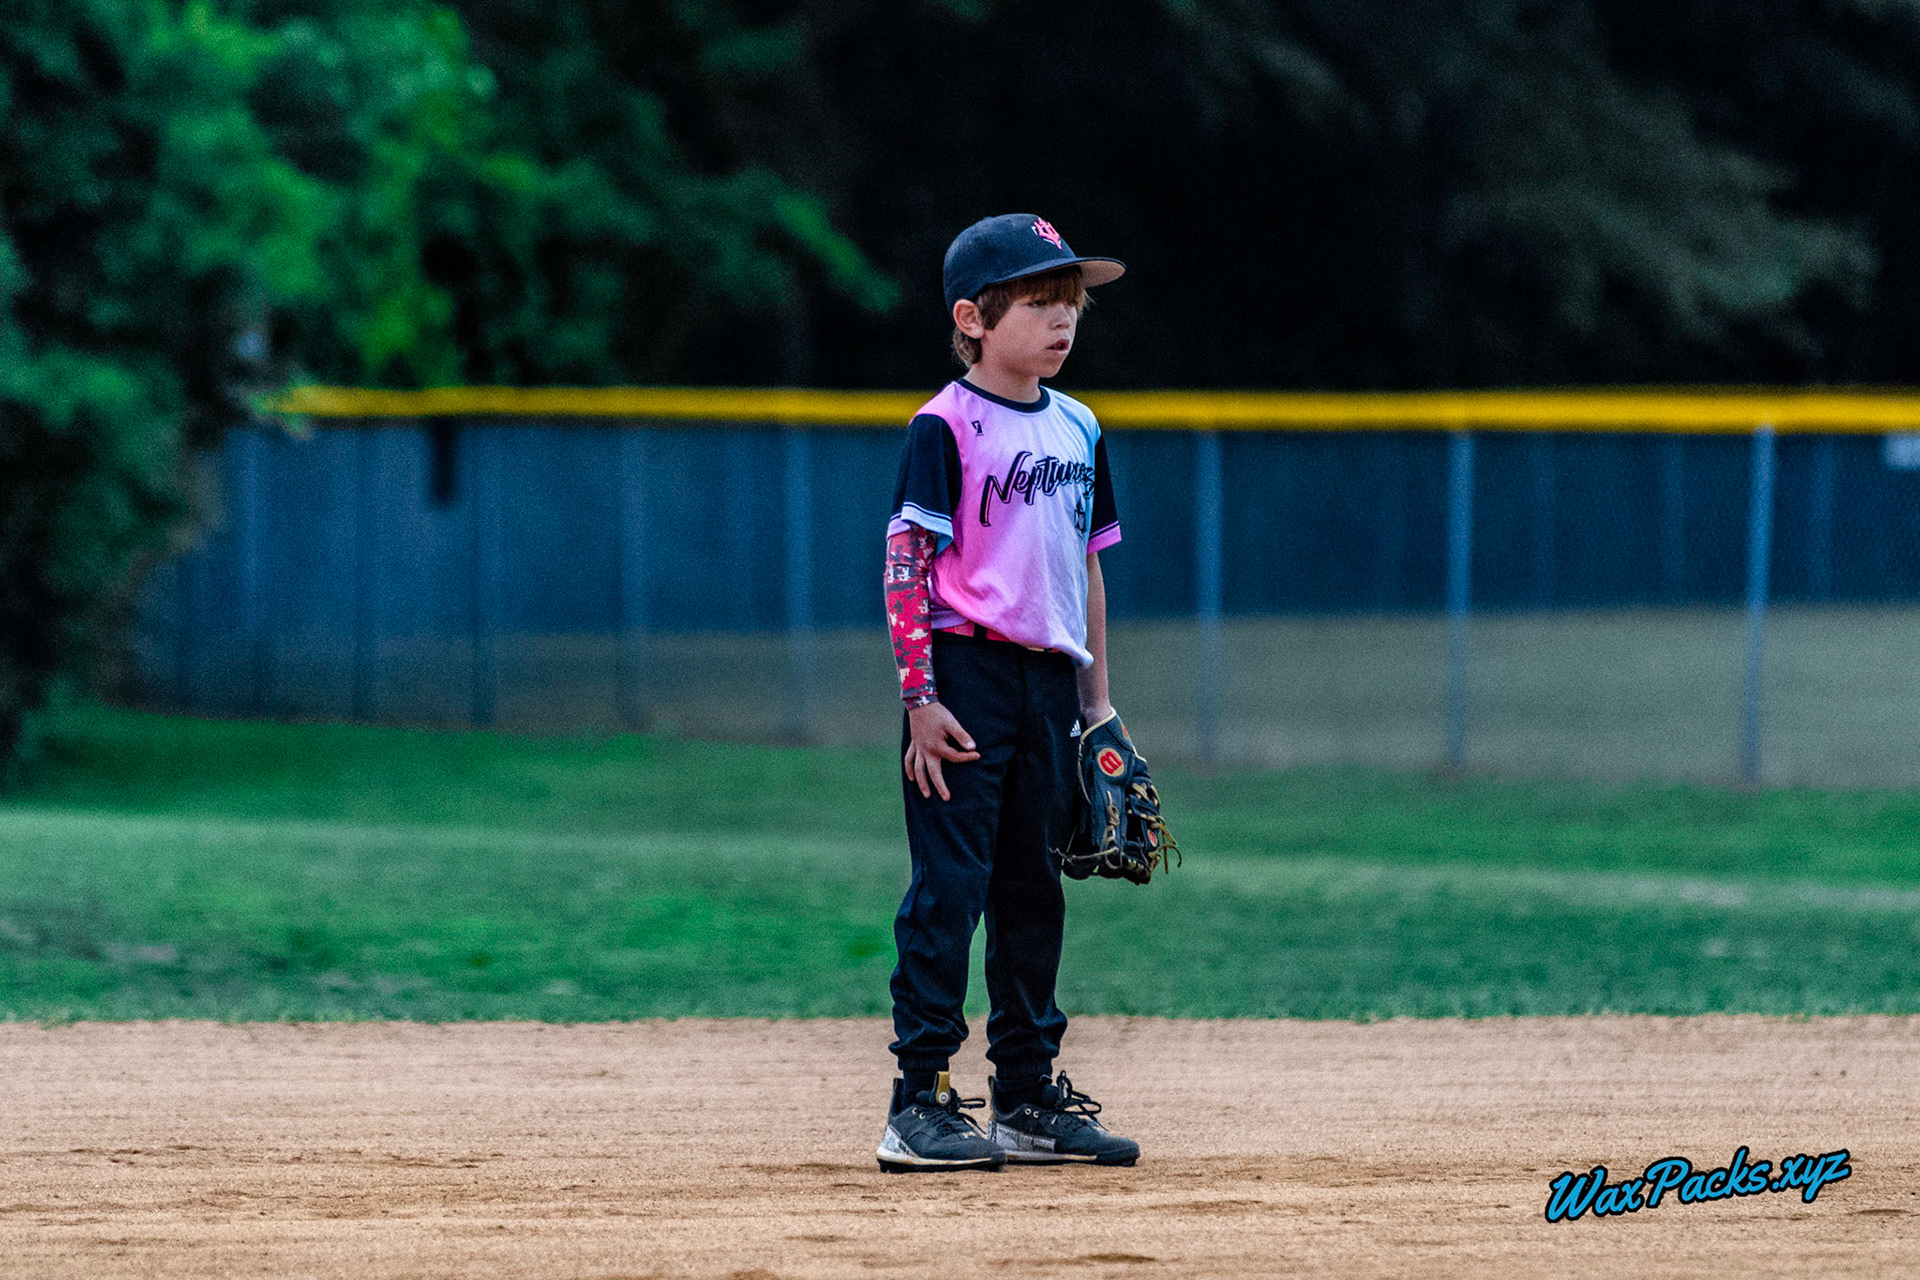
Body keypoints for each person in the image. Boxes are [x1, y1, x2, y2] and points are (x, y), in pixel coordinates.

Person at [875, 213, 1142, 1173]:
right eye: (1040, 302)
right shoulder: (943, 425)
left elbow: (1086, 571)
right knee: (951, 890)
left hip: (1048, 683)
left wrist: (1098, 707)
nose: (1064, 321)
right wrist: (919, 698)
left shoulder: (1080, 426)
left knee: (1035, 892)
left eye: (1072, 302)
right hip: (963, 676)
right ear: (974, 318)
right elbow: (907, 560)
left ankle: (1026, 1098)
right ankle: (921, 1100)